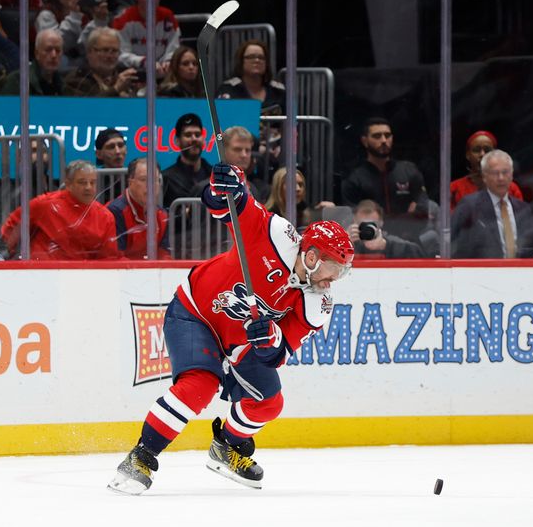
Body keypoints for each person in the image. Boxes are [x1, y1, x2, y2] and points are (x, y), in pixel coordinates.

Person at [107, 161, 355, 495]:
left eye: (341, 271)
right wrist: (223, 186)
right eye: (332, 268)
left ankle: (227, 446)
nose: (333, 279)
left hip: (239, 344)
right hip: (197, 314)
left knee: (270, 402)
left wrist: (269, 341)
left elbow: (278, 353)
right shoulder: (276, 235)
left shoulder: (318, 303)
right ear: (311, 256)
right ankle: (141, 456)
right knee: (200, 384)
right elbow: (227, 206)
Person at [0, 159, 119, 260]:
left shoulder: (105, 216)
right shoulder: (45, 204)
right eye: (82, 182)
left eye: (92, 183)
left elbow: (109, 257)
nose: (88, 187)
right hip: (42, 273)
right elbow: (12, 226)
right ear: (68, 184)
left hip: (84, 277)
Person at [341, 117, 430, 242]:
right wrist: (405, 216)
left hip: (407, 241)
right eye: (377, 136)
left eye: (387, 135)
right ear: (365, 141)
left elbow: (423, 211)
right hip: (369, 243)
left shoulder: (409, 170)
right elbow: (352, 218)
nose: (384, 140)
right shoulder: (355, 178)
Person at [451, 149, 533, 259]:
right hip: (482, 273)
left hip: (519, 273)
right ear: (484, 177)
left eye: (505, 172)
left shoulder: (523, 209)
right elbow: (453, 245)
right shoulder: (469, 206)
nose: (501, 178)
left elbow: (531, 247)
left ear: (511, 175)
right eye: (495, 173)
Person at [107, 157, 169, 259]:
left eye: (155, 180)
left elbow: (165, 255)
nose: (150, 185)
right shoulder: (115, 212)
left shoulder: (162, 215)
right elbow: (117, 258)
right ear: (130, 182)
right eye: (144, 180)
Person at [450, 130, 523, 210]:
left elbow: (520, 219)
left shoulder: (510, 187)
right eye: (476, 150)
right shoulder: (454, 188)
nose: (482, 154)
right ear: (468, 155)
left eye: (487, 150)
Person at [111, 0, 180, 77]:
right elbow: (120, 54)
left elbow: (174, 47)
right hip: (132, 75)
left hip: (164, 74)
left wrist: (168, 61)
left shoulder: (168, 17)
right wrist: (143, 61)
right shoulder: (122, 20)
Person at [63, 26, 138, 97]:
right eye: (105, 50)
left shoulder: (122, 77)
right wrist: (116, 89)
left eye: (114, 51)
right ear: (90, 52)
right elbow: (87, 108)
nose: (109, 56)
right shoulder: (76, 79)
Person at [216, 39, 284, 115]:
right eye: (251, 57)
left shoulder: (278, 91)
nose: (257, 60)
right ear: (241, 61)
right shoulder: (228, 89)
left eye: (261, 57)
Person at [161, 112, 210, 208]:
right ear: (177, 141)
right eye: (188, 135)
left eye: (197, 134)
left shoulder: (214, 175)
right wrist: (184, 214)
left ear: (203, 139)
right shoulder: (166, 179)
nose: (194, 139)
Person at [349, 199, 427, 259]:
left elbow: (418, 253)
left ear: (381, 223)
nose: (367, 229)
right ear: (354, 223)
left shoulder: (392, 243)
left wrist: (385, 246)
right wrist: (345, 242)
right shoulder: (349, 242)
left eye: (371, 225)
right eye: (362, 224)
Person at [0, 28, 64, 96]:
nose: (54, 55)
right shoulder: (17, 82)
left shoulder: (64, 85)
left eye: (58, 50)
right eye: (48, 50)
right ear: (37, 54)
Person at [265, 167, 334, 229]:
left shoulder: (306, 214)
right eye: (292, 184)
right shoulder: (267, 217)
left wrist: (328, 212)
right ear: (278, 187)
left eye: (301, 185)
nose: (298, 189)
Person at [35, 0, 85, 65]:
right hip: (56, 60)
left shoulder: (87, 10)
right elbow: (59, 45)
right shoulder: (45, 15)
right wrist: (74, 15)